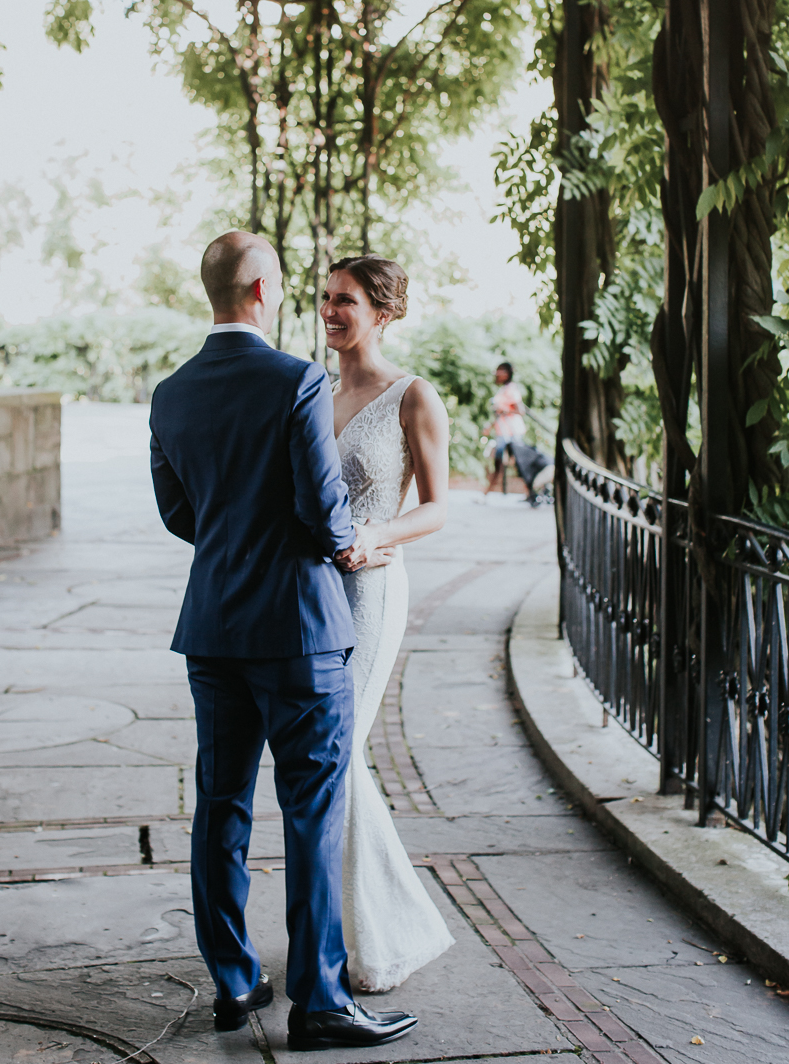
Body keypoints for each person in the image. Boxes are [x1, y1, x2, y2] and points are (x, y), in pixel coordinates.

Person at [149, 231, 417, 1052]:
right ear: (263, 290)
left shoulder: (170, 391)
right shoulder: (296, 380)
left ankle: (233, 984)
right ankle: (320, 1002)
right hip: (301, 628)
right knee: (311, 813)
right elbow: (322, 506)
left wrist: (236, 538)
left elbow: (178, 513)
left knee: (219, 806)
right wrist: (343, 542)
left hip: (212, 626)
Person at [321, 254, 456, 992]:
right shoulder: (312, 393)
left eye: (346, 300)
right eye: (325, 298)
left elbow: (437, 506)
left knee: (334, 753)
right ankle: (360, 929)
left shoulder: (412, 397)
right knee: (326, 759)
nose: (331, 311)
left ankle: (388, 938)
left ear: (382, 311)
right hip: (311, 594)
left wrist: (378, 536)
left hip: (371, 591)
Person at [482, 361, 526, 494]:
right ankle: (486, 494)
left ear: (507, 374)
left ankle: (532, 492)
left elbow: (521, 410)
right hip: (502, 433)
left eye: (499, 370)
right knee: (499, 463)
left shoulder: (511, 389)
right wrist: (490, 426)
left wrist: (504, 410)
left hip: (512, 433)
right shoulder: (504, 389)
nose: (496, 373)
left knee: (518, 463)